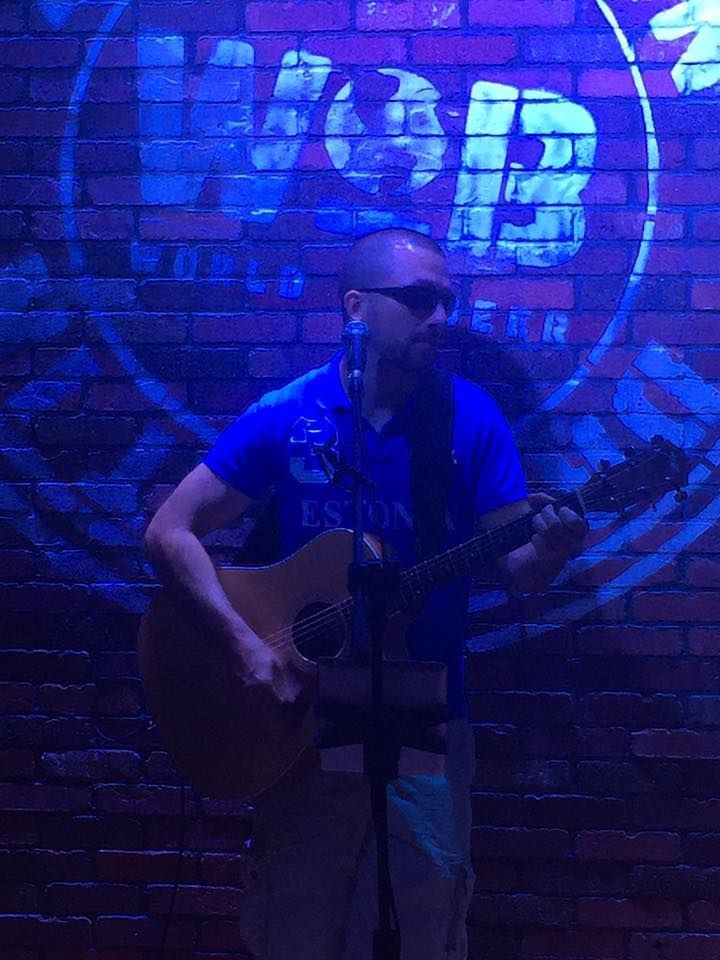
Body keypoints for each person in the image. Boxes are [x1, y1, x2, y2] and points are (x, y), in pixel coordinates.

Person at [143, 228, 587, 960]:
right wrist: (245, 647)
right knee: (296, 929)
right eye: (419, 299)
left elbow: (520, 569)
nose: (439, 317)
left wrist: (554, 547)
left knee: (421, 926)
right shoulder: (290, 413)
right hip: (302, 721)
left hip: (424, 717)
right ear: (357, 307)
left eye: (446, 301)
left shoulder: (469, 418)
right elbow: (169, 531)